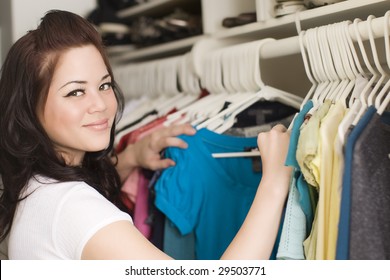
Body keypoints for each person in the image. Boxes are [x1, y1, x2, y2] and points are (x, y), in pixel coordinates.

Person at [0, 10, 292, 260]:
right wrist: (274, 184)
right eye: (75, 92)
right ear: (28, 108)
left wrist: (130, 157)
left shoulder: (34, 187)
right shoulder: (76, 211)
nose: (101, 105)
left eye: (104, 85)